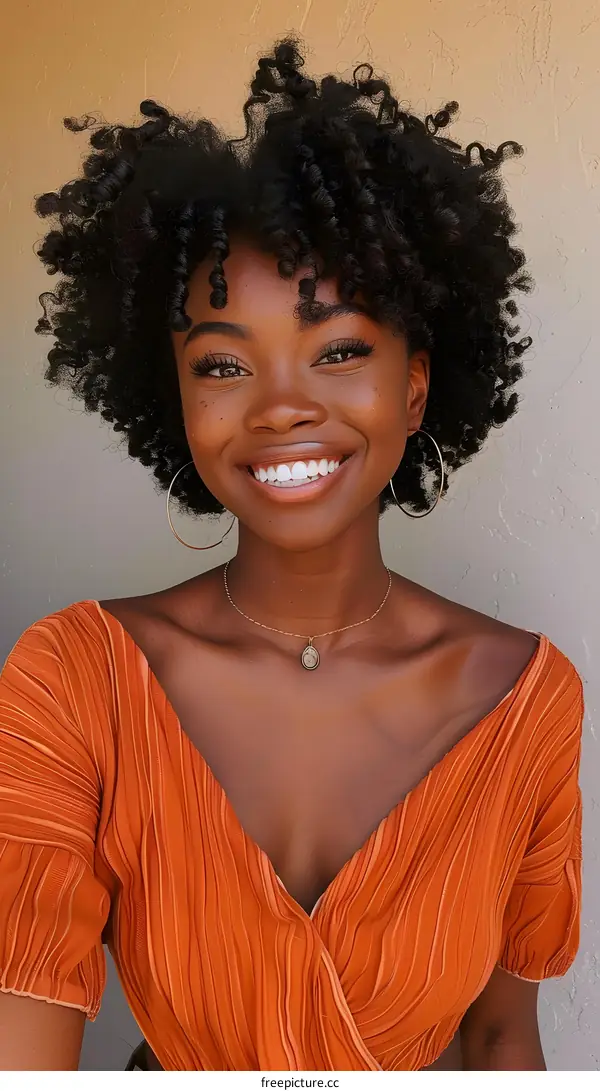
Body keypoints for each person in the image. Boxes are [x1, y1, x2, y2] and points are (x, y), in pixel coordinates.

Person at [0, 39, 583, 1072]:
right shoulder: (73, 681)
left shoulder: (527, 703)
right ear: (172, 396)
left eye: (342, 348)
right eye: (223, 361)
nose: (279, 406)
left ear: (415, 387)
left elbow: (501, 1037)